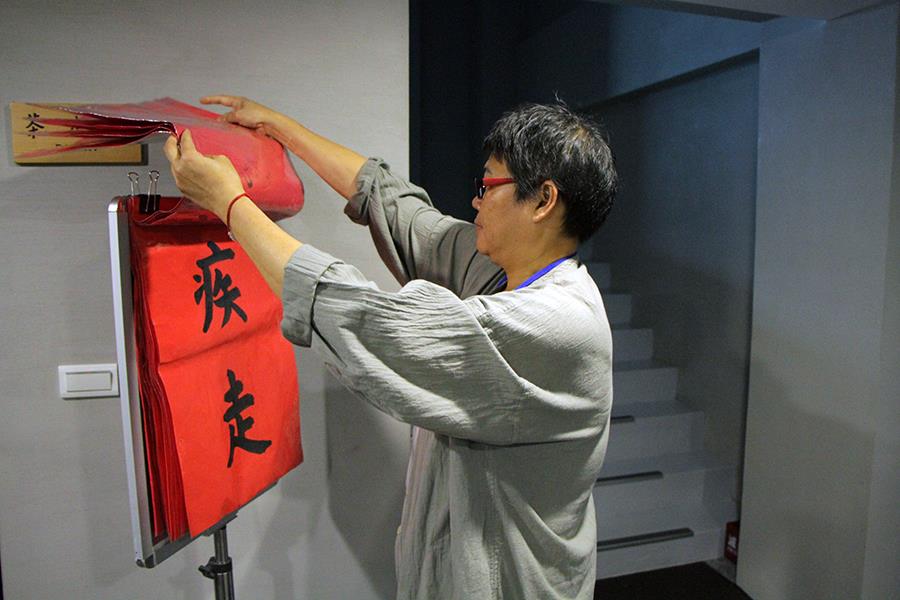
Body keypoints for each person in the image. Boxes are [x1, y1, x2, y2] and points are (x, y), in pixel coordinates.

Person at [163, 95, 617, 600]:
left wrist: (230, 205)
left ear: (543, 200)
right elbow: (393, 204)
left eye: (487, 186)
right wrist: (280, 126)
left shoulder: (556, 325)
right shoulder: (501, 272)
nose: (475, 202)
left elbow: (369, 320)